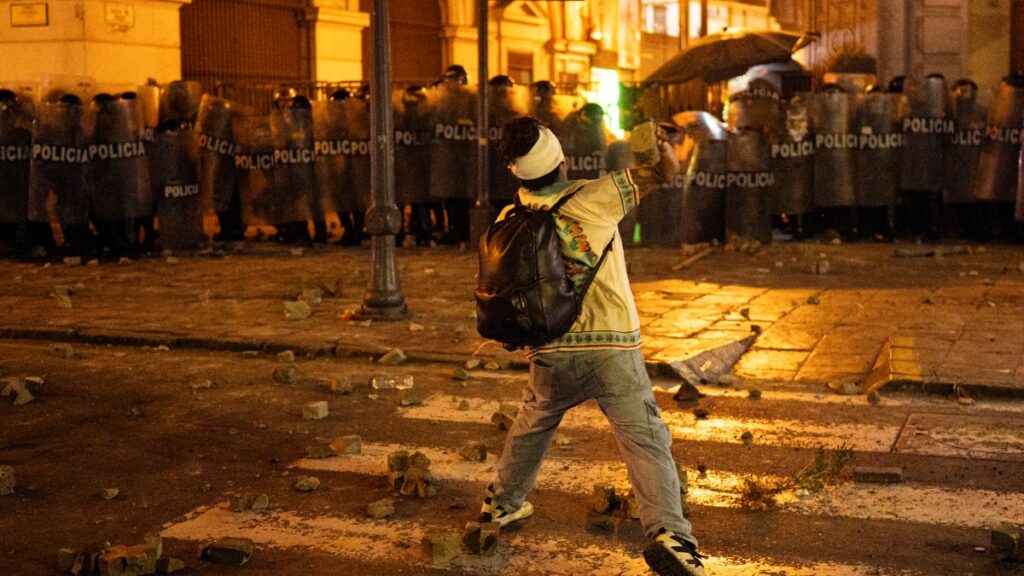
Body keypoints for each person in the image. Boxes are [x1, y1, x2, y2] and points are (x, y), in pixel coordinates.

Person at [477, 116, 706, 576]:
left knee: (532, 424)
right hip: (611, 347)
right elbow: (666, 172)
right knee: (644, 439)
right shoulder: (597, 196)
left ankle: (501, 506)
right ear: (561, 162)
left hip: (549, 349)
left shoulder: (508, 218)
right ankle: (671, 536)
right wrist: (659, 145)